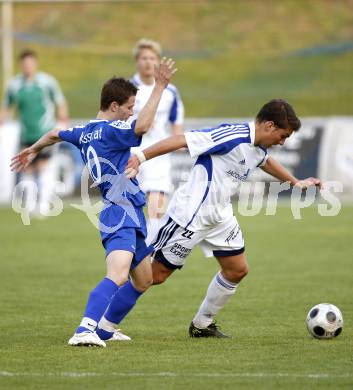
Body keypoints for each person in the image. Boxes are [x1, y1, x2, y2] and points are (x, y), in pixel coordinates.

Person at [11, 58, 177, 347]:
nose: (130, 113)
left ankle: (105, 329)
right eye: (128, 107)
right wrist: (160, 87)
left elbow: (53, 133)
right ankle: (85, 329)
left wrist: (33, 149)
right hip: (118, 210)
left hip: (129, 210)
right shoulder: (113, 131)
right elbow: (144, 126)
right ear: (113, 106)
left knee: (144, 279)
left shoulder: (84, 131)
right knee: (118, 274)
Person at [125, 99, 322, 338]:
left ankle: (202, 324)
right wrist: (141, 157)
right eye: (283, 136)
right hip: (192, 214)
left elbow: (264, 161)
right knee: (152, 276)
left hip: (219, 216)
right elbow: (181, 140)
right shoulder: (232, 135)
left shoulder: (259, 148)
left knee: (237, 269)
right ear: (269, 126)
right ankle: (102, 321)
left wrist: (295, 182)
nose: (282, 142)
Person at [0, 49, 69, 216]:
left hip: (45, 133)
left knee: (43, 167)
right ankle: (30, 205)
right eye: (24, 64)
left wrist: (63, 121)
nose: (27, 66)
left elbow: (60, 102)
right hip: (26, 134)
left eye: (30, 63)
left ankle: (43, 204)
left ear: (35, 64)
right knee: (27, 169)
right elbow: (6, 108)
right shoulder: (15, 85)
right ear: (21, 65)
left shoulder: (47, 82)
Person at [131, 39, 184, 244]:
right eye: (144, 58)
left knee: (156, 204)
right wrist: (138, 123)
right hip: (132, 152)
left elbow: (175, 120)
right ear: (137, 61)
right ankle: (137, 246)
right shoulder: (128, 87)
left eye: (152, 58)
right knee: (133, 205)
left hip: (159, 153)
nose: (148, 62)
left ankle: (150, 249)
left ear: (158, 61)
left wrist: (178, 141)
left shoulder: (170, 91)